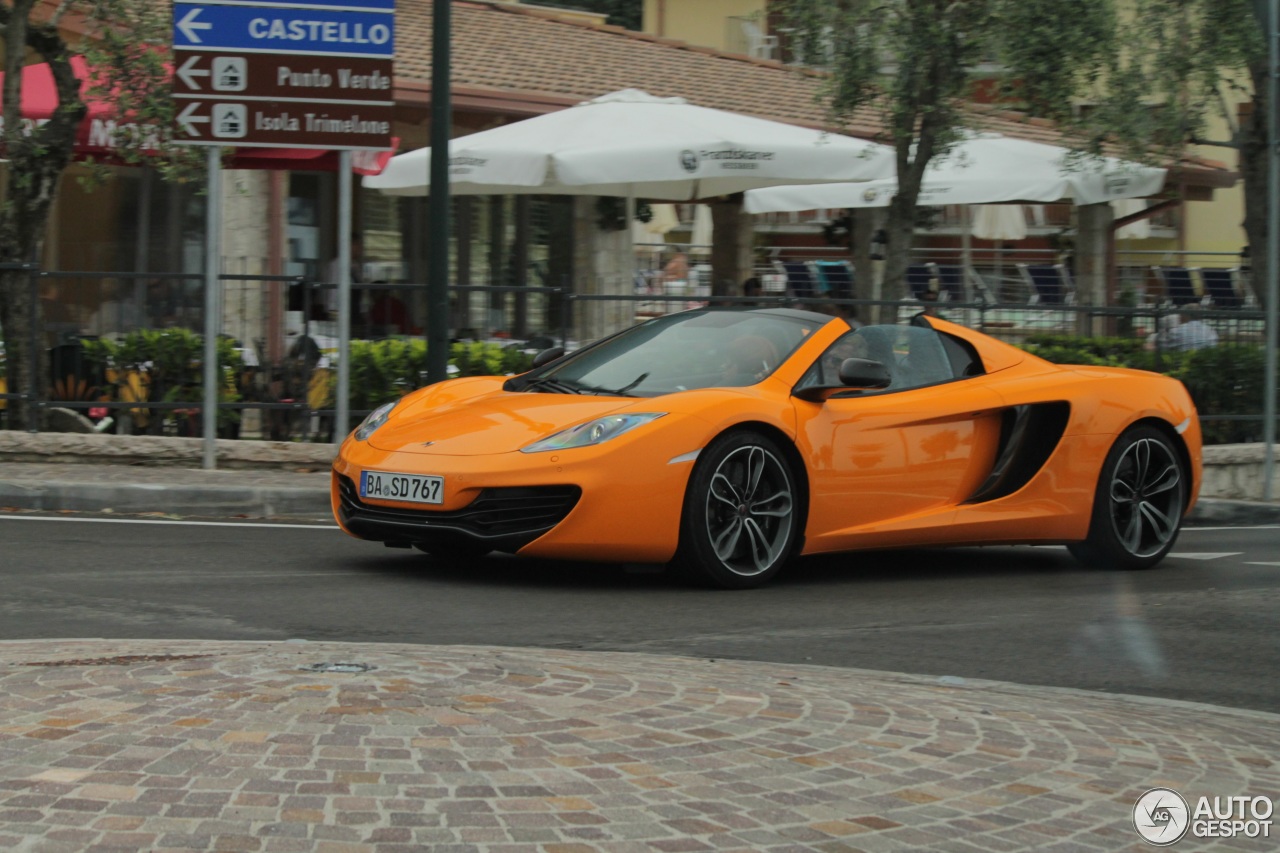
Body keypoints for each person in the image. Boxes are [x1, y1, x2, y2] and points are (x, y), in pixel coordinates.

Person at [1146, 309, 1219, 352]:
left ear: (1184, 316)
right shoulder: (1211, 331)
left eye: (1180, 316)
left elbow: (1160, 346)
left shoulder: (1176, 332)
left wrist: (1151, 341)